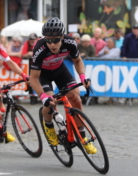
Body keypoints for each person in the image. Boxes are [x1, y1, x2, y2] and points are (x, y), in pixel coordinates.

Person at [29, 17, 95, 154]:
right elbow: (33, 79)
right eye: (49, 40)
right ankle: (48, 126)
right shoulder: (39, 48)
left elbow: (77, 60)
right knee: (50, 103)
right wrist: (43, 96)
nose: (52, 44)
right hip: (43, 75)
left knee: (76, 97)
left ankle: (82, 137)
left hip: (60, 71)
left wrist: (83, 77)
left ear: (62, 37)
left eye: (55, 40)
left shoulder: (70, 42)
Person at [22, 33, 39, 104]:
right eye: (30, 39)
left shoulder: (39, 43)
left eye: (33, 39)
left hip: (39, 66)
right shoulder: (26, 44)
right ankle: (33, 97)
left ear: (36, 39)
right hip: (30, 66)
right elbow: (23, 54)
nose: (32, 41)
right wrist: (29, 54)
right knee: (31, 81)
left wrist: (32, 53)